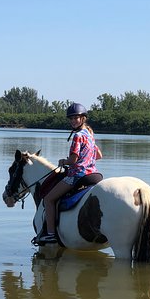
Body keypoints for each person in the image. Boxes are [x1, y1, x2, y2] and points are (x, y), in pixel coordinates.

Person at [37, 102, 102, 244]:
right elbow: (99, 155)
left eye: (76, 118)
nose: (73, 121)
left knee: (48, 199)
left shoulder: (78, 135)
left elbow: (73, 159)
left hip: (77, 175)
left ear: (83, 118)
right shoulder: (90, 134)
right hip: (93, 174)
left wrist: (63, 162)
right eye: (71, 118)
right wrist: (87, 159)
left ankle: (51, 234)